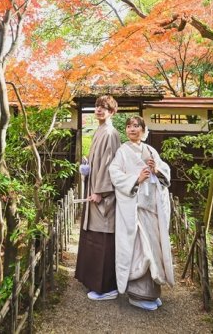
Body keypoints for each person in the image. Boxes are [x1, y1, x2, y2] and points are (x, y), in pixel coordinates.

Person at [109, 116, 174, 311]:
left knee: (154, 248)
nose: (132, 129)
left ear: (143, 130)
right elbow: (114, 173)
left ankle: (152, 292)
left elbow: (165, 171)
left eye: (136, 126)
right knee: (139, 250)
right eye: (129, 126)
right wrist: (136, 179)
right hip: (135, 211)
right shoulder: (122, 151)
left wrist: (157, 170)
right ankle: (138, 294)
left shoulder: (151, 150)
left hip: (151, 209)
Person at [74, 95, 122, 300]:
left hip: (102, 195)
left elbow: (110, 166)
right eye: (97, 106)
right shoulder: (99, 131)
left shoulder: (111, 133)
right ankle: (93, 281)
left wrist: (101, 192)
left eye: (104, 107)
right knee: (92, 237)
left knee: (102, 238)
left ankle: (107, 287)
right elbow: (97, 163)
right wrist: (87, 169)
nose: (99, 110)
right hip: (94, 190)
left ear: (112, 112)